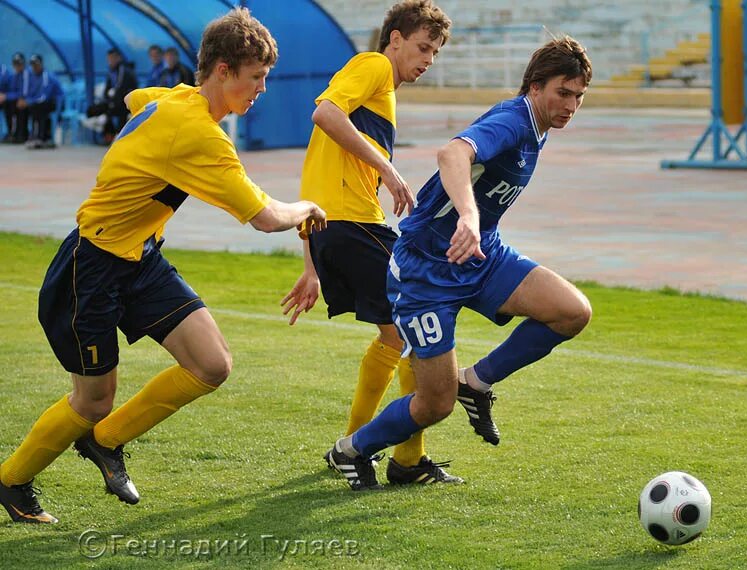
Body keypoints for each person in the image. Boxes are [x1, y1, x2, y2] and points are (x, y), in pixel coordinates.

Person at [0, 7, 326, 524]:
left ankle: (104, 444)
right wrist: (307, 206)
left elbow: (136, 99)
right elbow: (266, 218)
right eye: (256, 78)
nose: (262, 89)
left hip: (141, 258)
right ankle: (12, 482)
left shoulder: (171, 98)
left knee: (212, 364)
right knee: (92, 400)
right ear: (222, 71)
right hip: (94, 266)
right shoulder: (198, 133)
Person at [326, 36, 594, 488]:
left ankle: (478, 382)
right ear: (534, 88)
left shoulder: (539, 127)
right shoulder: (514, 119)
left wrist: (475, 227)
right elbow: (453, 153)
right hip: (425, 271)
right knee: (435, 404)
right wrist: (468, 215)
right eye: (562, 93)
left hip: (481, 256)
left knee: (572, 312)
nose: (570, 105)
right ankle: (350, 451)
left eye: (579, 96)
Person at [281, 0, 456, 490]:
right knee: (417, 334)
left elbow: (319, 171)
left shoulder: (383, 91)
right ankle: (397, 457)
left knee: (395, 337)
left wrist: (312, 260)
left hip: (336, 227)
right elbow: (324, 113)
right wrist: (388, 167)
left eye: (436, 53)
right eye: (423, 47)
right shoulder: (374, 65)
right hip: (354, 224)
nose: (427, 59)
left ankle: (365, 446)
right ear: (395, 38)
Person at [84, 47, 138, 143]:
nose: (110, 61)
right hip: (113, 101)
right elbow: (107, 89)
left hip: (125, 102)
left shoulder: (124, 70)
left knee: (118, 111)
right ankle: (108, 134)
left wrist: (111, 100)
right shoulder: (111, 72)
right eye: (109, 59)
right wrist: (108, 99)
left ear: (118, 58)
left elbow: (120, 88)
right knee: (92, 110)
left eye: (112, 58)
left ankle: (118, 135)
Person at [24, 54, 64, 149]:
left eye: (36, 65)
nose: (34, 67)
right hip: (40, 103)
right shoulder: (32, 76)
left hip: (54, 102)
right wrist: (27, 101)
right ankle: (34, 135)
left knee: (38, 107)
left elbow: (44, 97)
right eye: (32, 65)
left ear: (41, 64)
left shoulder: (47, 76)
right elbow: (30, 93)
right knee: (32, 108)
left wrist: (29, 102)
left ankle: (41, 137)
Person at [0, 52, 31, 143]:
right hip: (19, 100)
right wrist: (5, 96)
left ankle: (21, 133)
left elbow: (24, 93)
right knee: (7, 104)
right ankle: (11, 132)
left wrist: (6, 96)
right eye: (15, 64)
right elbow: (12, 91)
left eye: (19, 64)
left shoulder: (27, 74)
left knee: (20, 106)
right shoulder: (14, 75)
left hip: (30, 100)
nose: (17, 66)